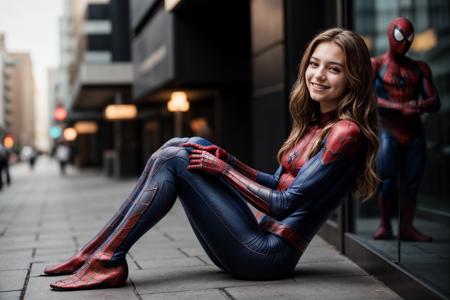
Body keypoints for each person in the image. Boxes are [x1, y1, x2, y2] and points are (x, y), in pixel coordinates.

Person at [44, 28, 379, 291]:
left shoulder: (344, 133)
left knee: (177, 159)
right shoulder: (317, 123)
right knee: (188, 144)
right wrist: (228, 159)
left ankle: (105, 258)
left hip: (266, 256)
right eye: (314, 64)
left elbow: (283, 203)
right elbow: (277, 182)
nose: (318, 75)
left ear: (354, 78)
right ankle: (96, 253)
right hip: (250, 243)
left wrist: (223, 170)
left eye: (333, 69)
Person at [371, 17, 440, 241]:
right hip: (388, 130)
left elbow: (434, 101)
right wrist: (401, 107)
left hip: (413, 131)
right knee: (387, 179)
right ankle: (385, 225)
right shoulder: (377, 65)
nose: (405, 43)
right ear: (390, 35)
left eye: (409, 38)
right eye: (400, 37)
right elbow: (368, 99)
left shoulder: (419, 68)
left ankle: (407, 227)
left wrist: (417, 105)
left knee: (412, 181)